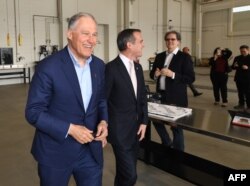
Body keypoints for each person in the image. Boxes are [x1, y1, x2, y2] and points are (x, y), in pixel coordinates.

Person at [25, 12, 108, 186]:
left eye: (94, 35)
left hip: (90, 151)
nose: (91, 40)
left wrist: (103, 122)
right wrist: (70, 129)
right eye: (85, 33)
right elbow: (34, 112)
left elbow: (101, 100)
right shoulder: (48, 67)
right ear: (69, 34)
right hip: (55, 152)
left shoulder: (99, 66)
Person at [105, 28, 148, 186]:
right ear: (129, 44)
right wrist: (103, 124)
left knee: (124, 174)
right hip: (119, 131)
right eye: (141, 41)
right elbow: (103, 100)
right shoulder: (111, 69)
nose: (143, 45)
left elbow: (142, 96)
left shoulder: (137, 68)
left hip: (136, 130)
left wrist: (144, 121)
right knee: (130, 175)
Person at [149, 31, 195, 151]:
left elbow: (190, 78)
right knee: (156, 121)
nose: (170, 41)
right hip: (160, 96)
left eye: (173, 39)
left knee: (176, 126)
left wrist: (172, 74)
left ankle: (178, 153)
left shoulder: (184, 57)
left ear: (178, 41)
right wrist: (155, 74)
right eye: (168, 39)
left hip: (176, 97)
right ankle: (167, 142)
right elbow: (151, 74)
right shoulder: (159, 56)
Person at [231, 45, 250, 111]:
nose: (242, 53)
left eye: (244, 51)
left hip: (248, 78)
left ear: (248, 50)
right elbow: (233, 67)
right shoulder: (237, 57)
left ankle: (249, 106)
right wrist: (234, 66)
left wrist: (248, 68)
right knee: (240, 92)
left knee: (248, 93)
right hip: (239, 78)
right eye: (241, 51)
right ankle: (241, 104)